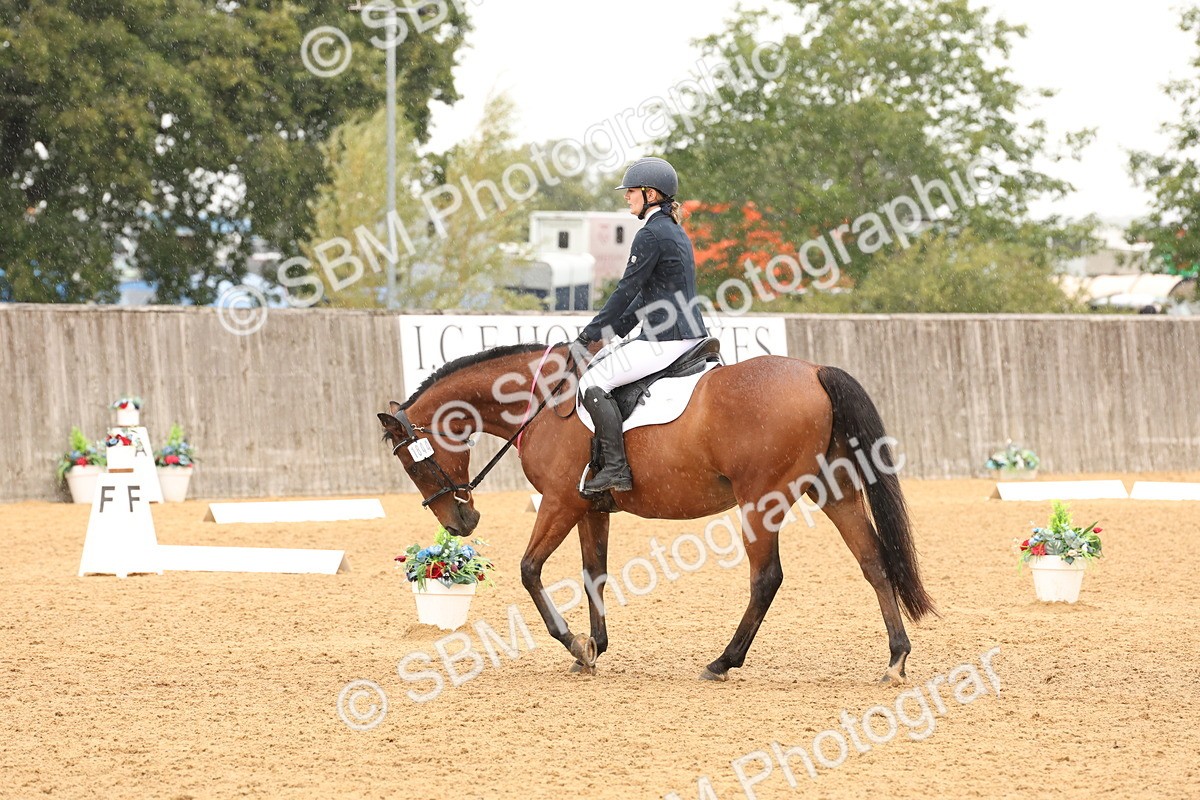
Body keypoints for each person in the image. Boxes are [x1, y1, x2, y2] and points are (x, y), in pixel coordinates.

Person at [573, 157, 709, 495]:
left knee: (593, 381)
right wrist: (611, 332)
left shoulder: (650, 235)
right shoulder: (673, 230)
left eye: (631, 191)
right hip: (687, 333)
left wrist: (590, 333)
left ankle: (616, 470)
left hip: (666, 338)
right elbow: (649, 297)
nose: (626, 197)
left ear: (650, 194)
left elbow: (627, 290)